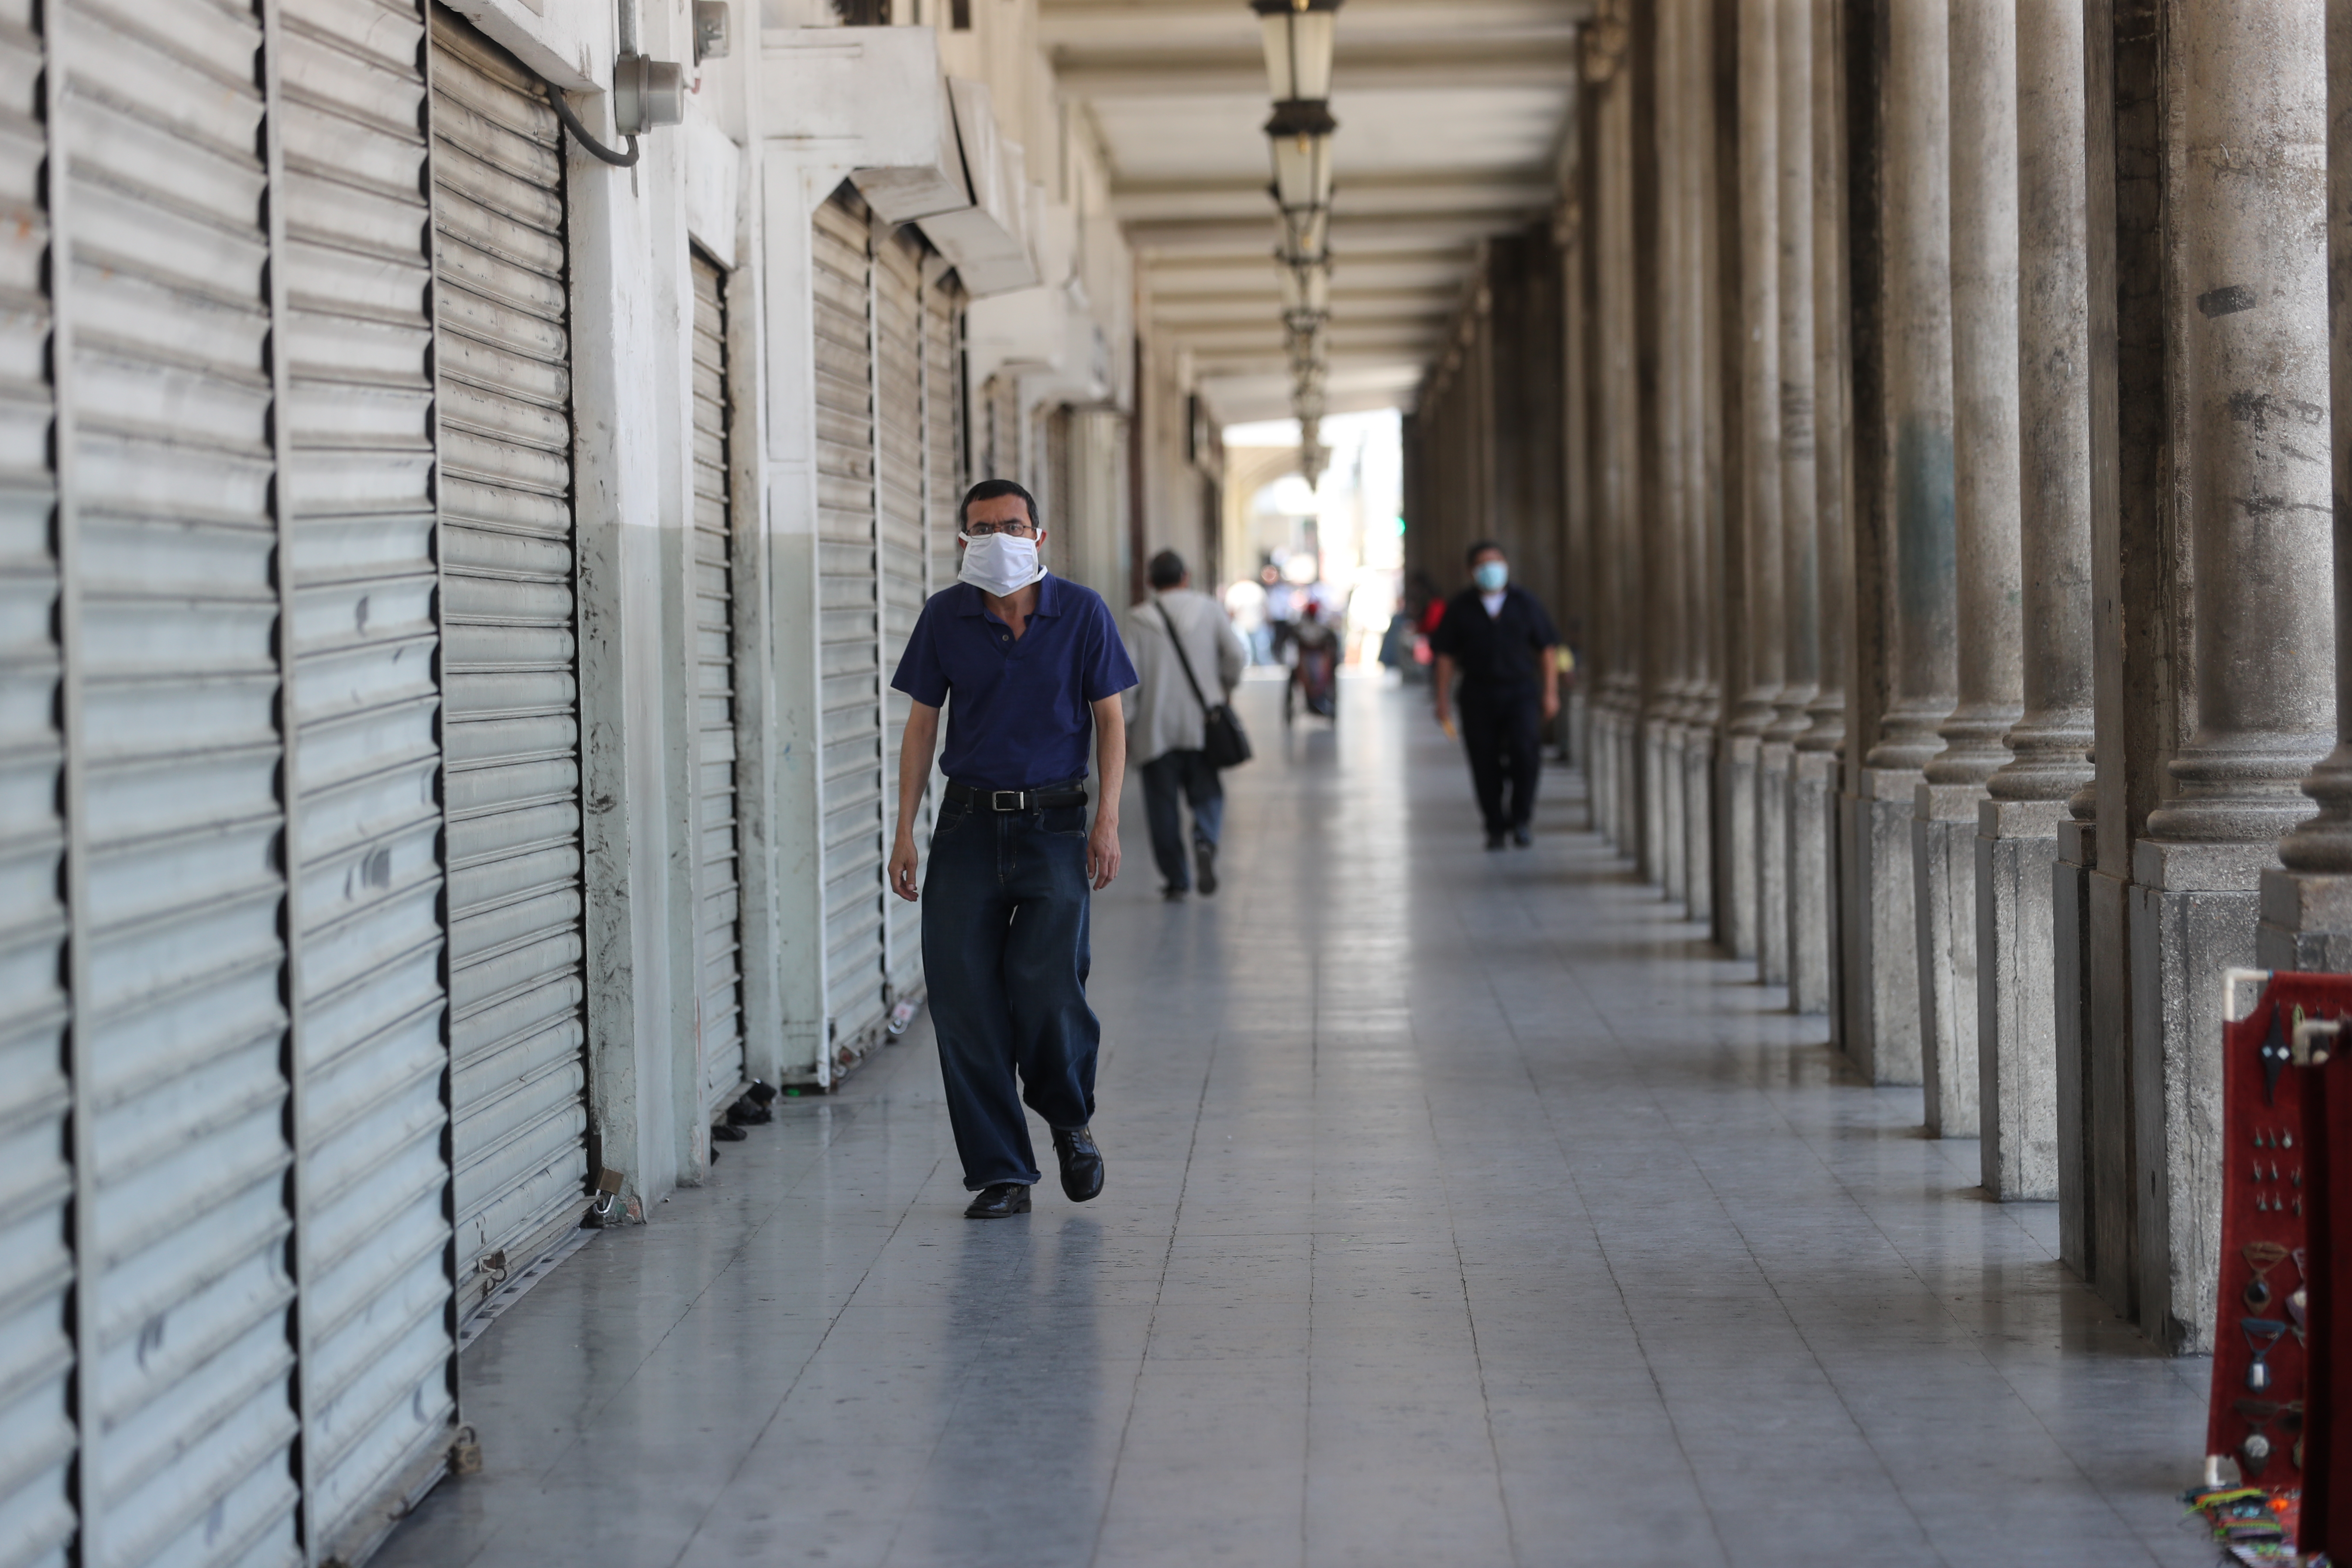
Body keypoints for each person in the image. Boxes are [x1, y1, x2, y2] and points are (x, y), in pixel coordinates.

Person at [888, 479, 1139, 1219]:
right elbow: (921, 726)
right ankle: (1002, 1171)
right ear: (963, 540)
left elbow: (1110, 721)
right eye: (983, 527)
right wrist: (904, 828)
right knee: (962, 1004)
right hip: (966, 828)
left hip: (1054, 827)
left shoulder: (1082, 612)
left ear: (1040, 535)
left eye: (1013, 524)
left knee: (1050, 990)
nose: (999, 537)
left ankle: (1068, 1118)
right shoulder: (946, 617)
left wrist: (1109, 819)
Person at [1124, 550, 1248, 901]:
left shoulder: (1137, 619)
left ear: (1150, 581)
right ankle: (1205, 840)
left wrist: (1125, 726)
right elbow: (1237, 656)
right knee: (1207, 792)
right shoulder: (1208, 609)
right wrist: (1225, 687)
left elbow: (1127, 679)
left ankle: (1177, 880)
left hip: (1154, 728)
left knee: (1161, 807)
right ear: (1186, 576)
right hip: (1202, 724)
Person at [1428, 540, 1561, 849]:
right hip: (1478, 692)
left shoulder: (1525, 602)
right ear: (1472, 571)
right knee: (1483, 759)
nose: (1491, 569)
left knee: (1526, 754)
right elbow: (1445, 656)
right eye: (1484, 564)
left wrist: (1551, 692)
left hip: (1521, 691)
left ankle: (1522, 819)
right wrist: (1442, 699)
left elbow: (1547, 649)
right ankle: (1495, 825)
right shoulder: (1460, 607)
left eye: (1497, 562)